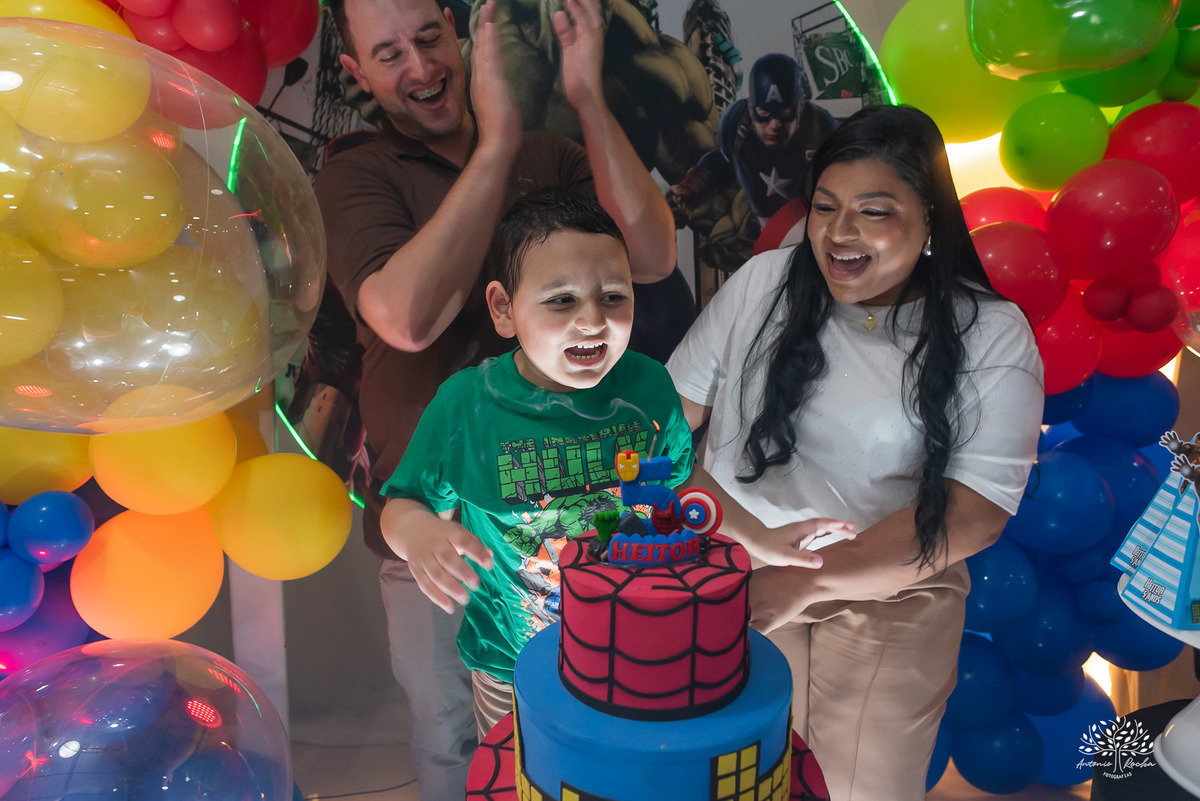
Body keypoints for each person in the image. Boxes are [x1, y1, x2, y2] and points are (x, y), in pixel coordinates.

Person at [314, 0, 676, 797]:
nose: (420, 68)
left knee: (587, 724)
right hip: (440, 531)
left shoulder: (554, 154)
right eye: (389, 53)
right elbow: (407, 318)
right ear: (356, 72)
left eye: (430, 39)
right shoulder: (357, 172)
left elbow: (650, 256)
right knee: (456, 731)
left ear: (456, 29)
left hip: (572, 522)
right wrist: (495, 144)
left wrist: (585, 98)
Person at [666, 104, 1045, 801]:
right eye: (826, 206)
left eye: (874, 211)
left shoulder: (990, 334)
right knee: (731, 779)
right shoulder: (762, 285)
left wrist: (807, 578)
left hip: (893, 587)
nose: (839, 233)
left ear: (930, 219)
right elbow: (664, 431)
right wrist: (728, 539)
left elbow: (973, 513)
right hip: (736, 570)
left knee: (853, 786)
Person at [377, 189, 855, 737]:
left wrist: (762, 538)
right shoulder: (467, 406)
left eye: (612, 296)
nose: (593, 321)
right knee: (526, 781)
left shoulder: (648, 386)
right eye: (561, 300)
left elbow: (683, 478)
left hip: (635, 651)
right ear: (504, 308)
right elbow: (403, 503)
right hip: (514, 664)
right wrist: (416, 532)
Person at [668, 53, 839, 230]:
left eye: (785, 112)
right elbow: (723, 163)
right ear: (751, 108)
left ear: (801, 105)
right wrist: (689, 192)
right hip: (769, 228)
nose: (775, 124)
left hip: (817, 225)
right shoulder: (737, 125)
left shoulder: (823, 129)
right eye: (764, 113)